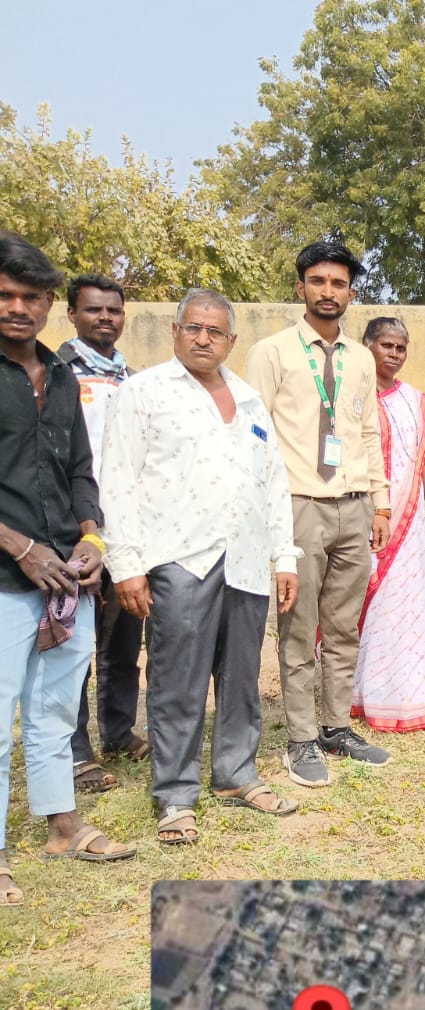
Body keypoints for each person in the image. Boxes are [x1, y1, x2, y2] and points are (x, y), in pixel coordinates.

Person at [101, 289, 303, 845]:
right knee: (177, 681)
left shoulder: (250, 399)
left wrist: (283, 555)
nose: (203, 338)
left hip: (243, 556)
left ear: (231, 340)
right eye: (193, 328)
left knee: (241, 676)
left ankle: (236, 773)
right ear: (174, 330)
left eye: (215, 332)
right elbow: (115, 479)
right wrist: (127, 565)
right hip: (177, 557)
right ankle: (175, 794)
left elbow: (274, 482)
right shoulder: (143, 393)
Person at [0, 232, 134, 901]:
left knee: (54, 711)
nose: (18, 308)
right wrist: (21, 548)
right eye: (5, 295)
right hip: (7, 576)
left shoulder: (59, 375)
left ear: (49, 304)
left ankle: (63, 826)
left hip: (67, 577)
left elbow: (82, 471)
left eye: (30, 296)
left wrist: (91, 542)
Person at [247, 240, 392, 787]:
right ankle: (302, 738)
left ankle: (336, 727)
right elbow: (256, 437)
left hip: (354, 507)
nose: (328, 292)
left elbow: (368, 432)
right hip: (299, 505)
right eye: (318, 281)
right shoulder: (273, 352)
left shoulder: (359, 357)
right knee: (299, 627)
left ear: (351, 292)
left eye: (338, 283)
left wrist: (379, 501)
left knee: (343, 627)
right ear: (301, 286)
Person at [59, 273, 145, 792]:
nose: (105, 319)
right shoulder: (54, 372)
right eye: (94, 310)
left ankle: (118, 732)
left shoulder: (132, 379)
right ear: (72, 314)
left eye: (113, 311)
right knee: (72, 645)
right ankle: (74, 752)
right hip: (73, 532)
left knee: (121, 641)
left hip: (125, 531)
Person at [349, 318, 425, 732]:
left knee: (416, 604)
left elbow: (424, 461)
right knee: (377, 609)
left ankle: (414, 694)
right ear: (366, 346)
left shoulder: (414, 399)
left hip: (410, 525)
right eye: (385, 345)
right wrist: (373, 511)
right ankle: (372, 695)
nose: (393, 353)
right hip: (370, 518)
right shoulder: (353, 397)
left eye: (401, 347)